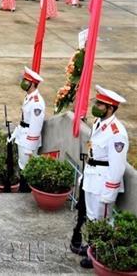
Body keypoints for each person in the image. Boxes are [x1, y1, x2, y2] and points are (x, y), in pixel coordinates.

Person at [75, 86, 129, 269]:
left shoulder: (116, 133)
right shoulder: (98, 123)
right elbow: (93, 152)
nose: (96, 106)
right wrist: (85, 175)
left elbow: (117, 166)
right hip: (92, 178)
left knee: (102, 221)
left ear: (111, 108)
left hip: (104, 183)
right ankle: (92, 247)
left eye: (101, 104)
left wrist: (110, 192)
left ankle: (100, 255)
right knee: (91, 216)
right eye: (97, 102)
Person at [9, 67, 45, 193]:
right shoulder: (29, 97)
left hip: (29, 140)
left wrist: (30, 146)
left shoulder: (37, 102)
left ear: (33, 84)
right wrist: (15, 133)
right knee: (22, 165)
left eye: (26, 80)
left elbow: (36, 125)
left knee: (27, 168)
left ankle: (25, 192)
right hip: (23, 136)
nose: (23, 82)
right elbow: (24, 120)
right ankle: (22, 190)